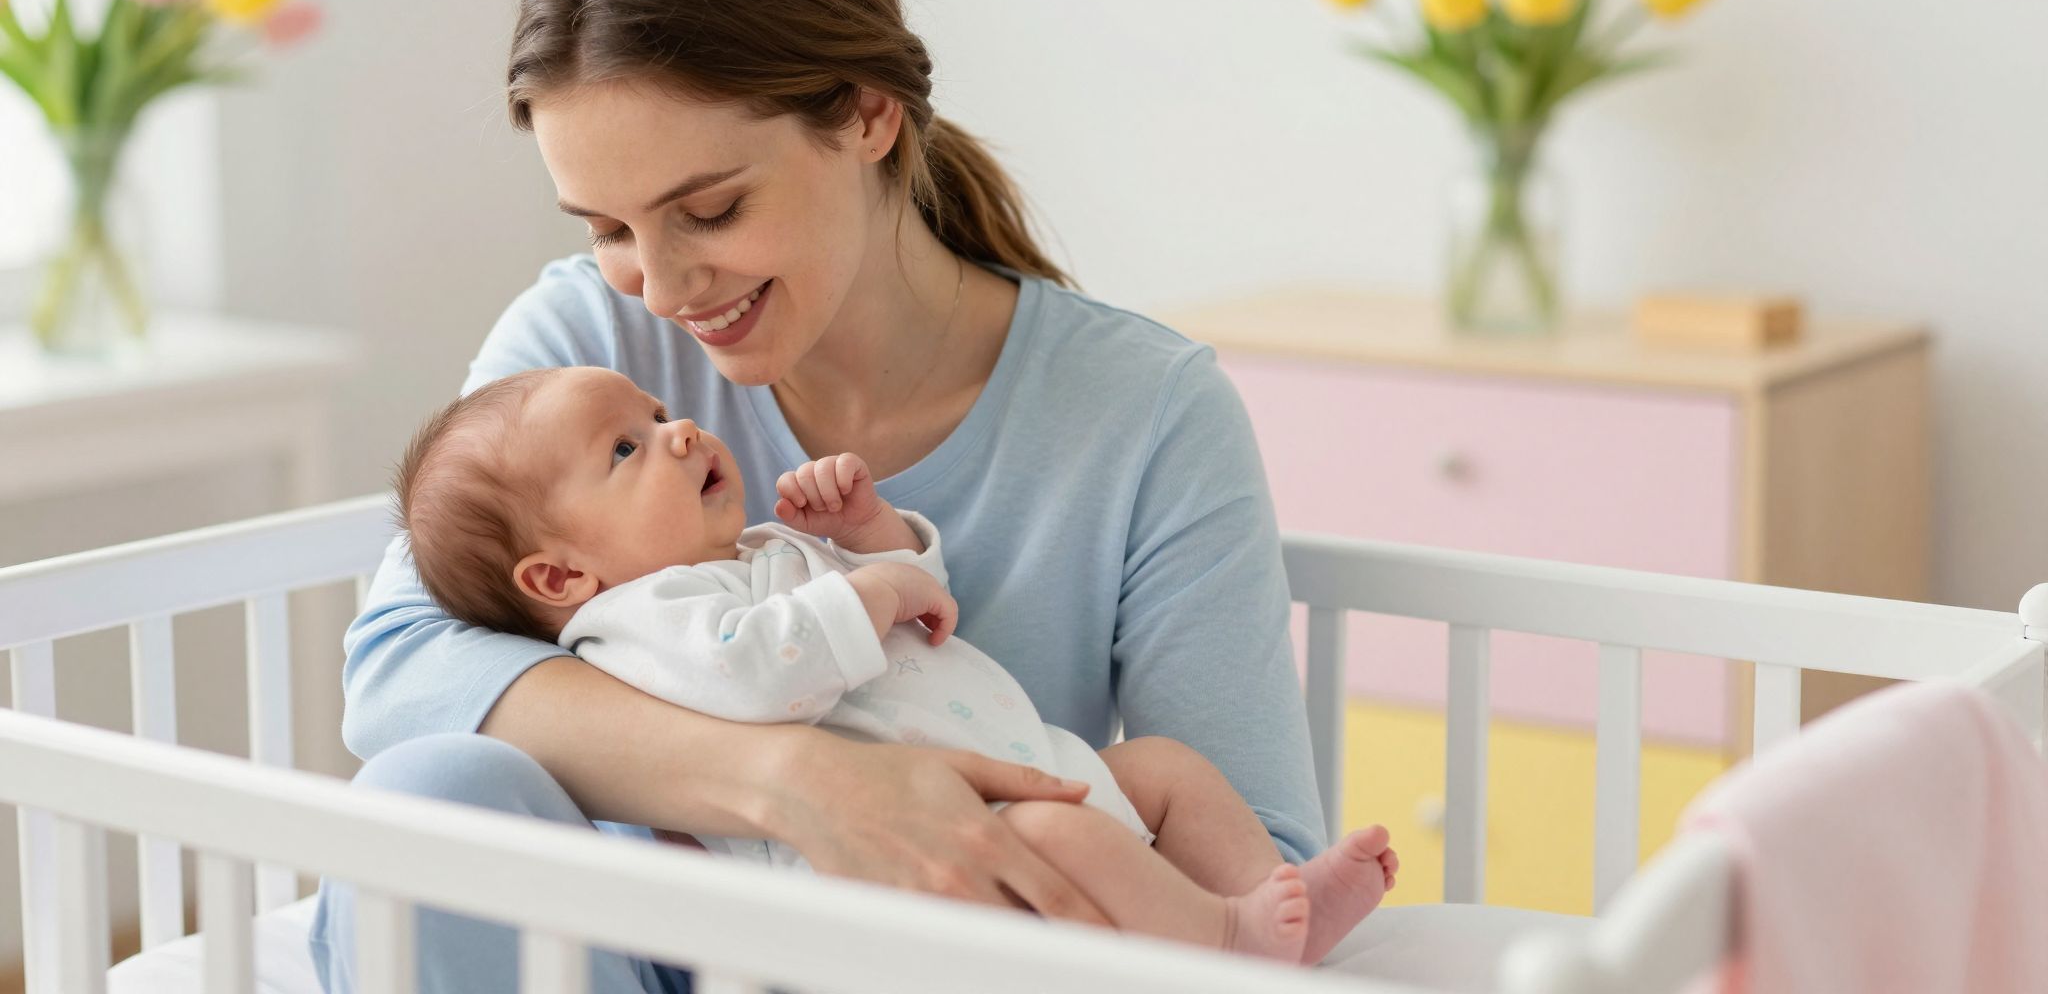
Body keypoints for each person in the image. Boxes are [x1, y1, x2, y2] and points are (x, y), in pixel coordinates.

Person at [309, 0, 1327, 992]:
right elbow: (401, 671)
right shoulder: (580, 356)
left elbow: (1260, 866)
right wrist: (804, 783)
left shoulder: (1143, 415)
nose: (659, 286)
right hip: (652, 949)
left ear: (866, 117)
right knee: (429, 800)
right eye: (607, 228)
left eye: (710, 210)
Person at [388, 364, 1400, 964]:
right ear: (560, 573)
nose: (678, 429)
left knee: (1168, 767)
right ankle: (1228, 944)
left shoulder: (748, 555)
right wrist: (871, 590)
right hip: (901, 869)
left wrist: (873, 535)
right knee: (1065, 833)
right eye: (625, 451)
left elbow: (919, 612)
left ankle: (1273, 901)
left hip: (1027, 768)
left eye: (656, 415)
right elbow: (758, 672)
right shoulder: (638, 626)